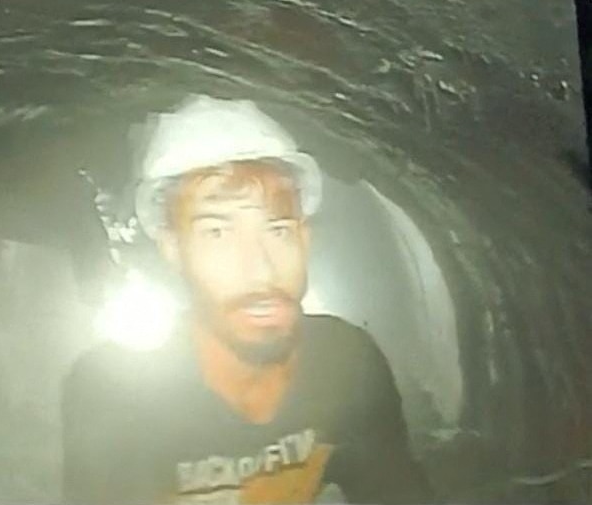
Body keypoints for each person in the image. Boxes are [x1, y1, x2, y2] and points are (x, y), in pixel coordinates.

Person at [62, 95, 434, 504]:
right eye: (217, 233)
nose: (261, 270)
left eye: (278, 230)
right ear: (172, 248)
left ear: (305, 238)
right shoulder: (115, 394)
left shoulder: (346, 365)